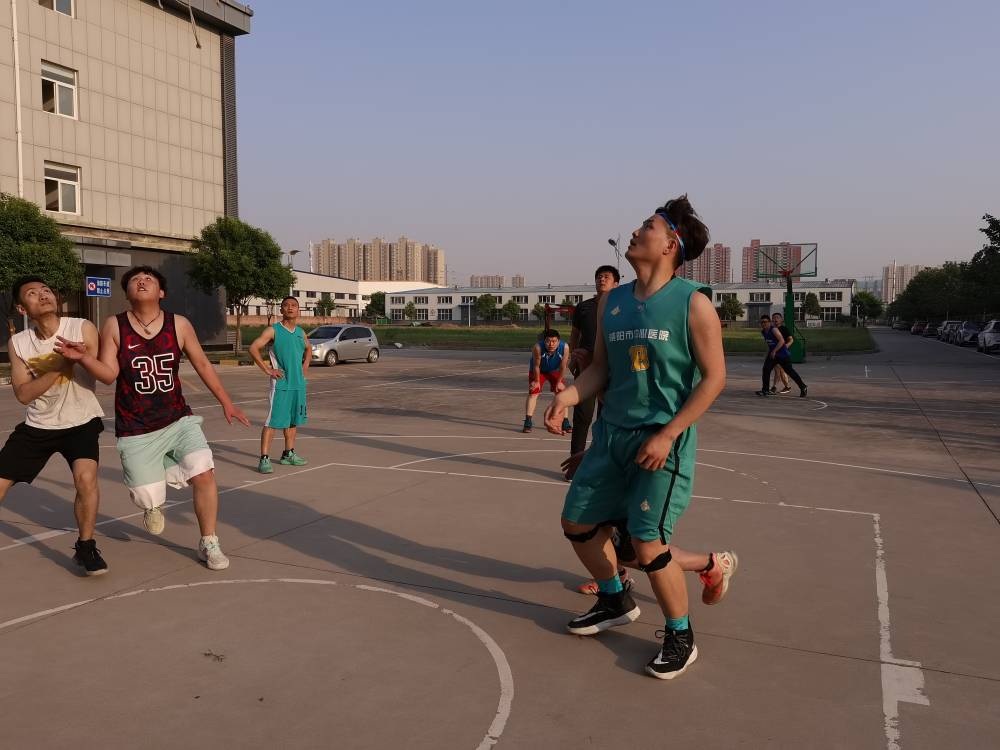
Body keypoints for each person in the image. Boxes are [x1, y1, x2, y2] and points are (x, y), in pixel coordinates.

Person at [545, 194, 730, 680]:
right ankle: (614, 600)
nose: (634, 231)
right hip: (612, 436)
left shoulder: (693, 303)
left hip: (660, 441)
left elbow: (714, 378)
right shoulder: (613, 302)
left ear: (670, 244)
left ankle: (681, 635)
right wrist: (566, 398)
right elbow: (600, 370)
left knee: (647, 545)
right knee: (577, 523)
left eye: (646, 226)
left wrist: (668, 433)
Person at [57, 266, 249, 571]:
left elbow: (202, 364)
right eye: (135, 280)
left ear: (161, 292)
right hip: (136, 427)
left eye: (149, 278)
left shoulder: (179, 324)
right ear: (127, 293)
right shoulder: (115, 325)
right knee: (146, 496)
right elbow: (108, 375)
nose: (142, 281)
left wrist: (227, 403)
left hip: (178, 418)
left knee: (204, 472)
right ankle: (154, 499)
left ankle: (209, 541)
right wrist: (84, 358)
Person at [0, 277, 108, 575]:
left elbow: (100, 371)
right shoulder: (19, 343)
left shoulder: (81, 327)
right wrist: (61, 366)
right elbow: (23, 394)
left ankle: (85, 547)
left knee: (86, 480)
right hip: (39, 424)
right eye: (32, 293)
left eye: (46, 290)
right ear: (22, 309)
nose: (43, 295)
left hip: (82, 420)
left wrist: (81, 357)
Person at [566, 265, 620, 473]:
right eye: (598, 277)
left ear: (616, 283)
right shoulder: (584, 307)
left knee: (605, 419)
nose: (601, 280)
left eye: (606, 277)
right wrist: (572, 358)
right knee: (582, 417)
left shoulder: (620, 306)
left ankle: (601, 466)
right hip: (586, 368)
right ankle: (575, 466)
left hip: (612, 369)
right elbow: (575, 334)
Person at [248, 296, 310, 473]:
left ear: (298, 310)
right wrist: (267, 369)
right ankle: (264, 458)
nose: (290, 308)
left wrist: (305, 366)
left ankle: (288, 454)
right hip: (281, 384)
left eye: (294, 305)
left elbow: (308, 348)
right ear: (281, 310)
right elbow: (253, 348)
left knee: (293, 420)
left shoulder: (300, 332)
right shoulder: (273, 330)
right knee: (273, 421)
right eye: (286, 305)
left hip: (298, 384)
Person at [523, 329, 571, 434]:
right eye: (548, 341)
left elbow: (563, 366)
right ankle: (528, 421)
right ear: (544, 341)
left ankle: (565, 421)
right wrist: (536, 381)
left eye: (554, 341)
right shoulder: (538, 347)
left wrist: (559, 382)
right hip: (539, 370)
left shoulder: (565, 347)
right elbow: (536, 366)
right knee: (533, 392)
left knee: (562, 393)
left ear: (558, 341)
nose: (551, 344)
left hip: (555, 370)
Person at [756, 315, 807, 398]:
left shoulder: (774, 330)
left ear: (769, 322)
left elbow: (782, 341)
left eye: (765, 322)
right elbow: (770, 343)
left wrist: (774, 351)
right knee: (766, 369)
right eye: (761, 322)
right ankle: (765, 390)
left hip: (782, 354)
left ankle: (803, 386)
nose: (763, 324)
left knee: (790, 372)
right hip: (773, 354)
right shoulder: (763, 332)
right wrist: (769, 353)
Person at [768, 312, 792, 394]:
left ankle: (775, 387)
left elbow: (791, 340)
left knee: (780, 370)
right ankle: (785, 387)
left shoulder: (784, 329)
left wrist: (785, 347)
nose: (775, 319)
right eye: (774, 317)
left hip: (782, 354)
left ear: (781, 319)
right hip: (774, 353)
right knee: (779, 370)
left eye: (777, 317)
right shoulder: (771, 330)